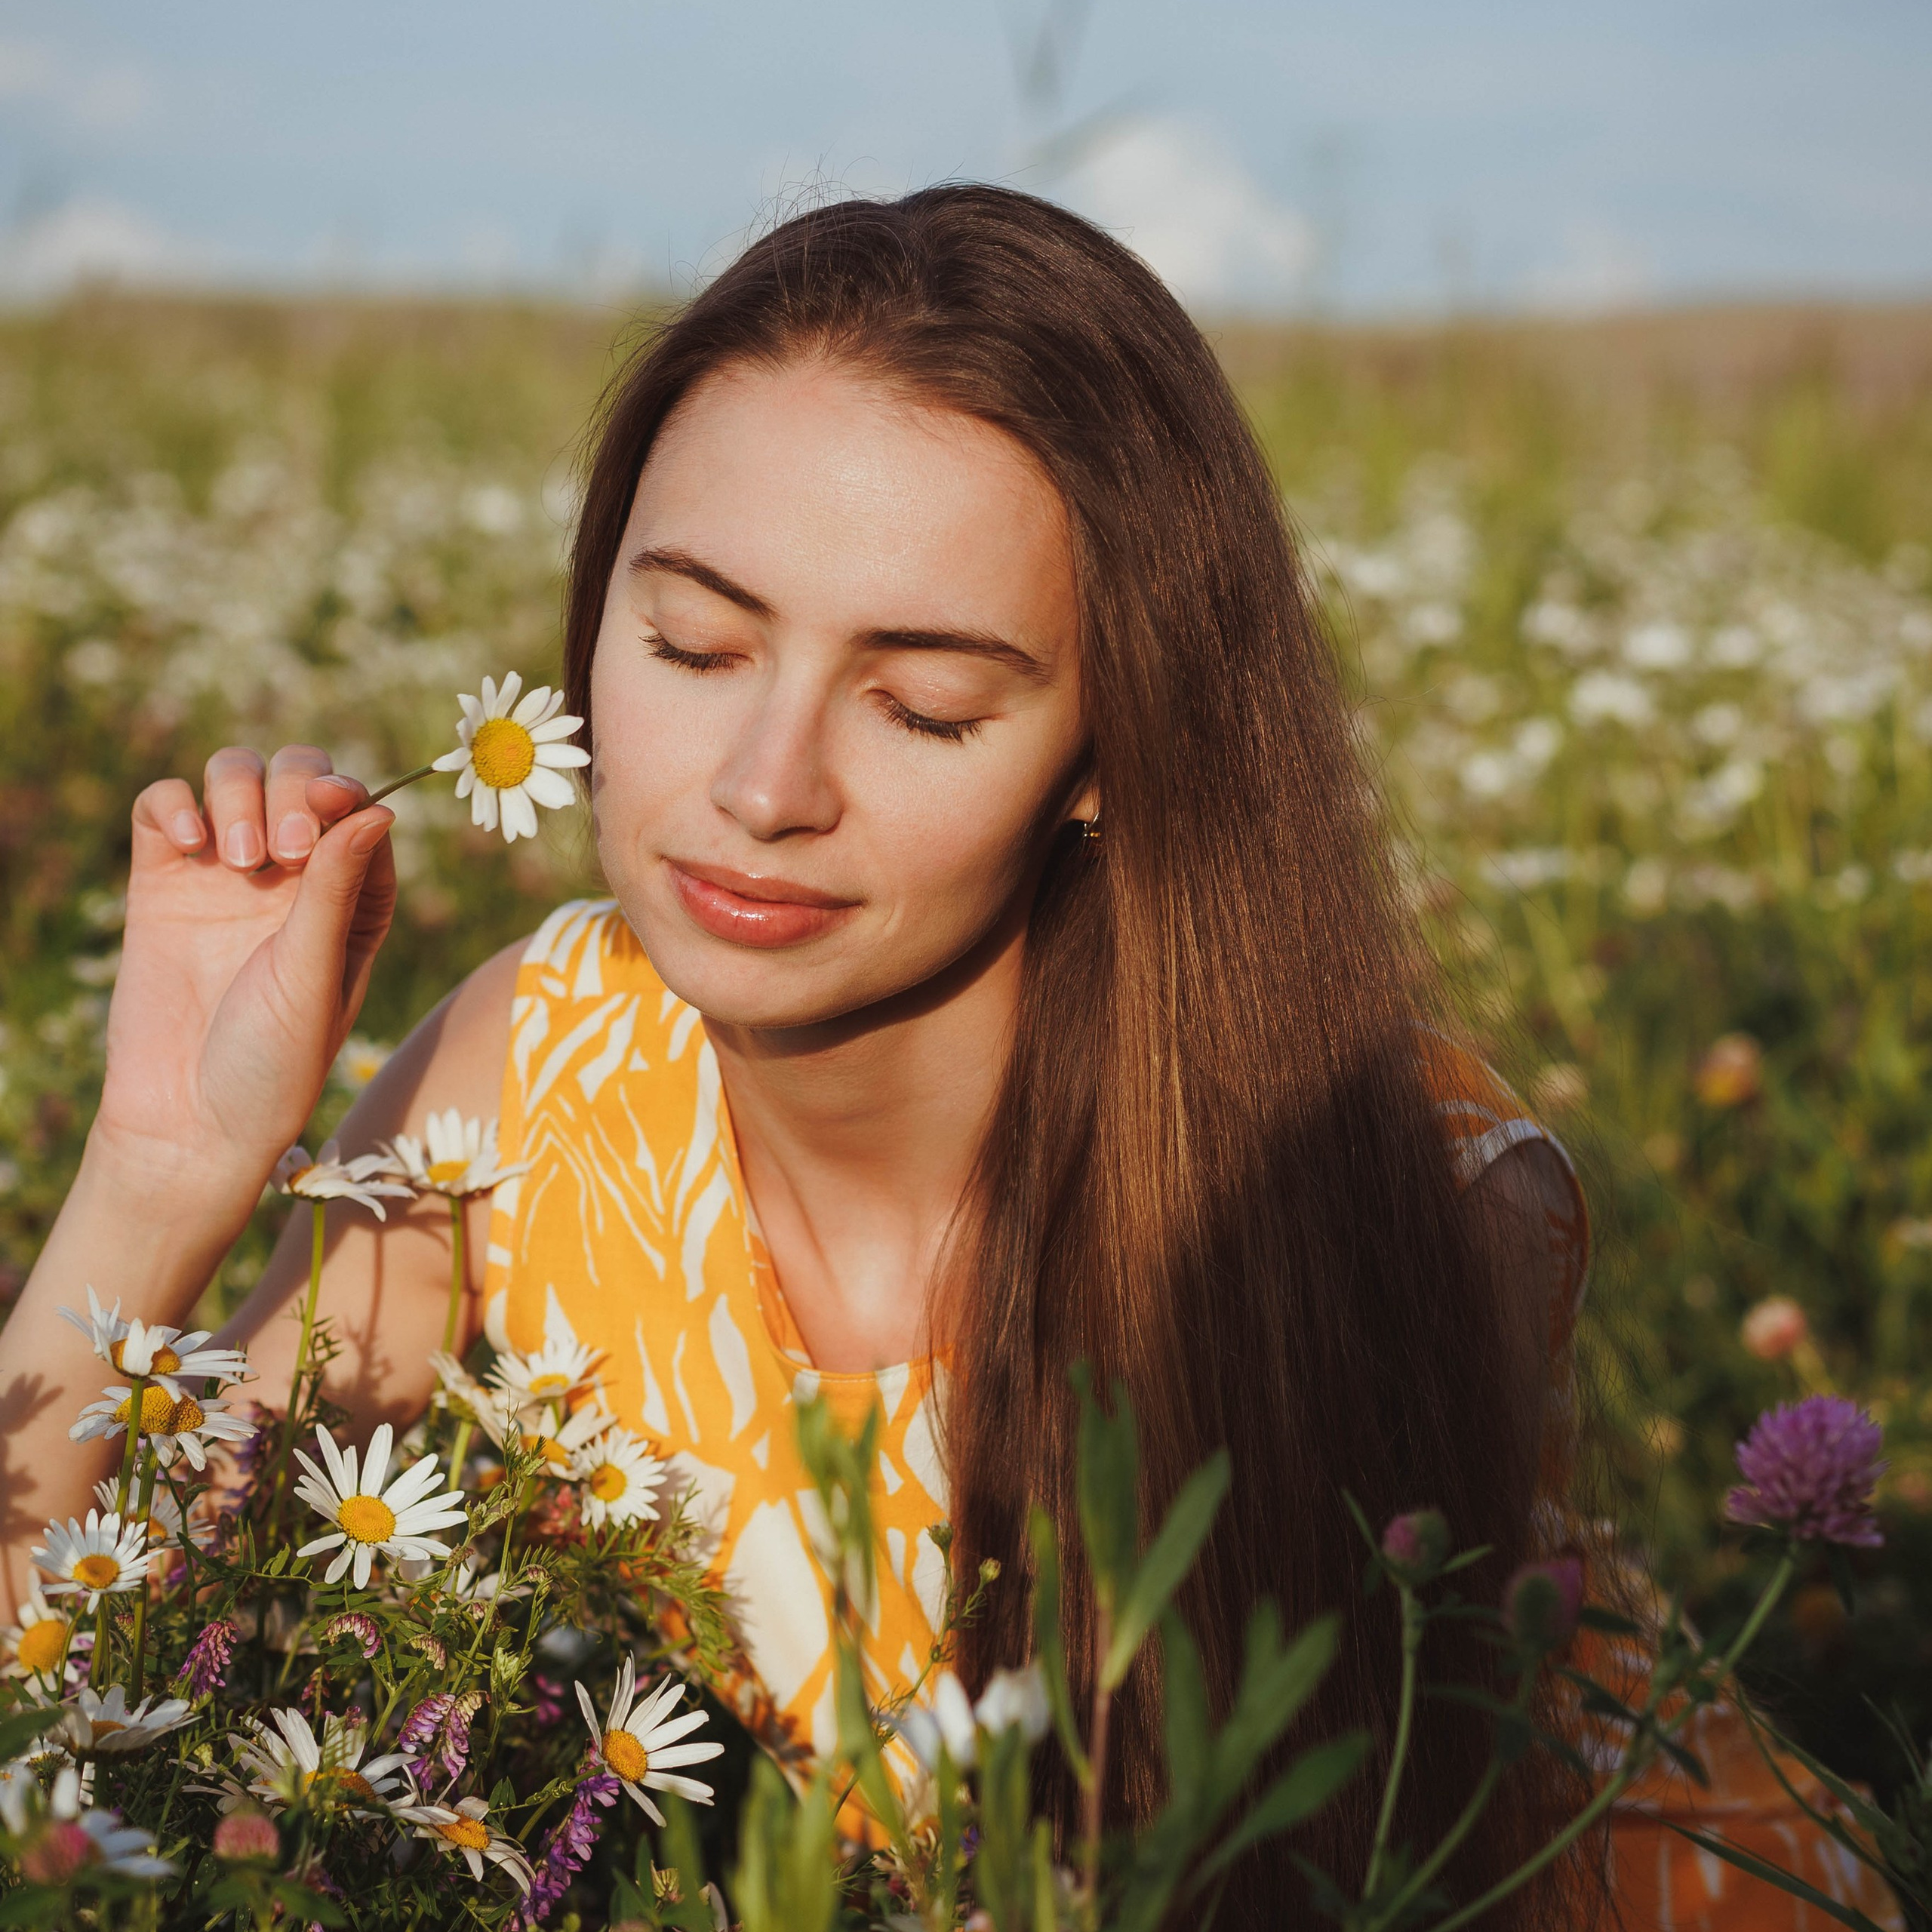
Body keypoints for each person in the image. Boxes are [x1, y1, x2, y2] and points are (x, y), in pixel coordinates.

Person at [2, 187, 1862, 1927]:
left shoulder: (1367, 1177)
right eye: (692, 641)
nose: (760, 788)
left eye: (922, 704)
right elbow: (102, 1667)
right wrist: (161, 1162)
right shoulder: (533, 1071)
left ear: (1116, 748)